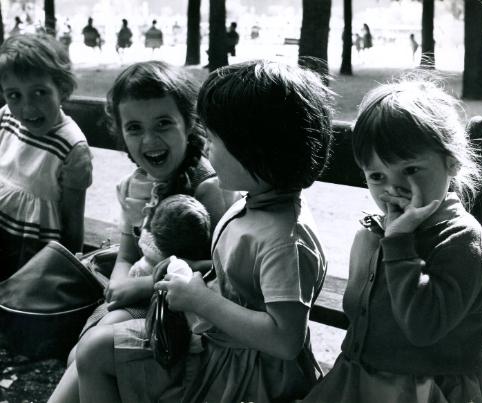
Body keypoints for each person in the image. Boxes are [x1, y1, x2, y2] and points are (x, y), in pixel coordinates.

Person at [51, 59, 336, 403]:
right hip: (216, 341)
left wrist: (200, 298)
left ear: (256, 150)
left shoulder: (284, 241)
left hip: (241, 369)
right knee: (92, 351)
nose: (207, 147)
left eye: (215, 139)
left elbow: (284, 340)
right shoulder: (255, 205)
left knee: (95, 352)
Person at [48, 60, 239, 403]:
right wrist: (119, 284)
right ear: (121, 132)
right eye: (134, 127)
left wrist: (138, 286)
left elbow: (218, 269)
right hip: (141, 297)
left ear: (189, 123)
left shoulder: (206, 186)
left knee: (89, 353)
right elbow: (127, 251)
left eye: (163, 123)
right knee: (79, 355)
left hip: (184, 314)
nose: (149, 139)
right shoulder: (135, 185)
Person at [301, 75, 482, 403]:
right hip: (364, 377)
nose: (393, 188)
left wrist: (398, 242)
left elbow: (423, 327)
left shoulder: (462, 240)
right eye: (377, 176)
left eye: (410, 170)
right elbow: (359, 311)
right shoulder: (382, 230)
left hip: (427, 388)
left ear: (452, 161)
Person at [0, 33, 93, 280]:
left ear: (62, 89)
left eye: (39, 92)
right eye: (14, 95)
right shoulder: (6, 118)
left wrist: (71, 270)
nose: (27, 107)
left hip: (32, 252)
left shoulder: (72, 147)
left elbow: (73, 220)